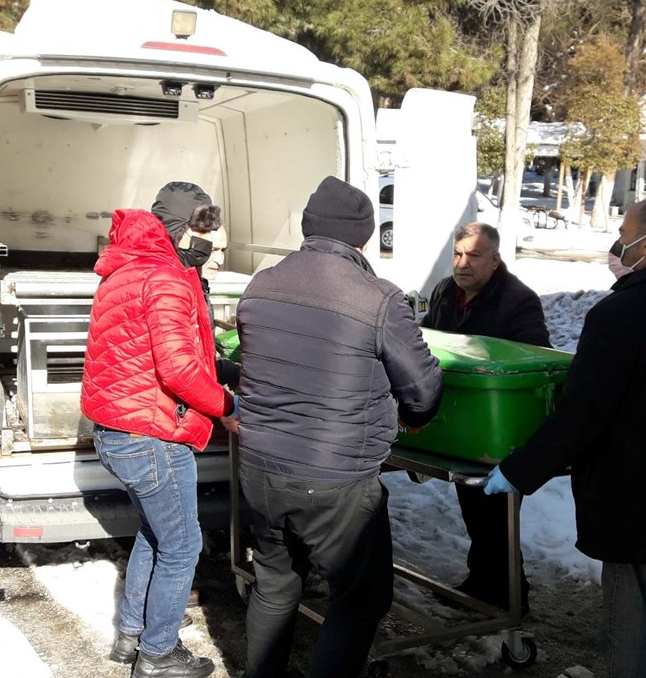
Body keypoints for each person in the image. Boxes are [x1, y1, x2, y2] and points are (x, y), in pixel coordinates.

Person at [484, 196, 646, 678]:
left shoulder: (619, 314)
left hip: (640, 509)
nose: (617, 243)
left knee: (628, 629)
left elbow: (583, 413)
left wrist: (520, 470)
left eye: (624, 232)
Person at [234, 176, 444, 678]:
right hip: (336, 477)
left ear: (308, 229)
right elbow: (423, 387)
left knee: (275, 584)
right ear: (364, 237)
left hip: (260, 468)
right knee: (361, 598)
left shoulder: (261, 285)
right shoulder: (378, 298)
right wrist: (414, 419)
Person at [81, 193, 238, 678]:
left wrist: (224, 370)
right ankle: (159, 654)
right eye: (206, 239)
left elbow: (149, 353)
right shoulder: (166, 278)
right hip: (151, 434)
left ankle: (133, 633)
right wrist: (228, 406)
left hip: (117, 430)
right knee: (184, 545)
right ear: (180, 232)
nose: (211, 251)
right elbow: (177, 370)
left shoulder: (127, 269)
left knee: (157, 533)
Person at [420, 222, 549, 614]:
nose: (463, 264)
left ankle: (512, 597)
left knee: (497, 515)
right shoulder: (445, 291)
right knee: (474, 507)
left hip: (500, 427)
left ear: (494, 260)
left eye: (473, 256)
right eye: (458, 254)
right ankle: (481, 584)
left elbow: (533, 356)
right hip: (461, 423)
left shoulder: (518, 300)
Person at [152, 181, 240, 387]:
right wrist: (226, 406)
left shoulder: (194, 284)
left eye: (223, 250)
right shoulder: (168, 286)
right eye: (213, 249)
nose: (219, 260)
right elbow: (179, 370)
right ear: (180, 237)